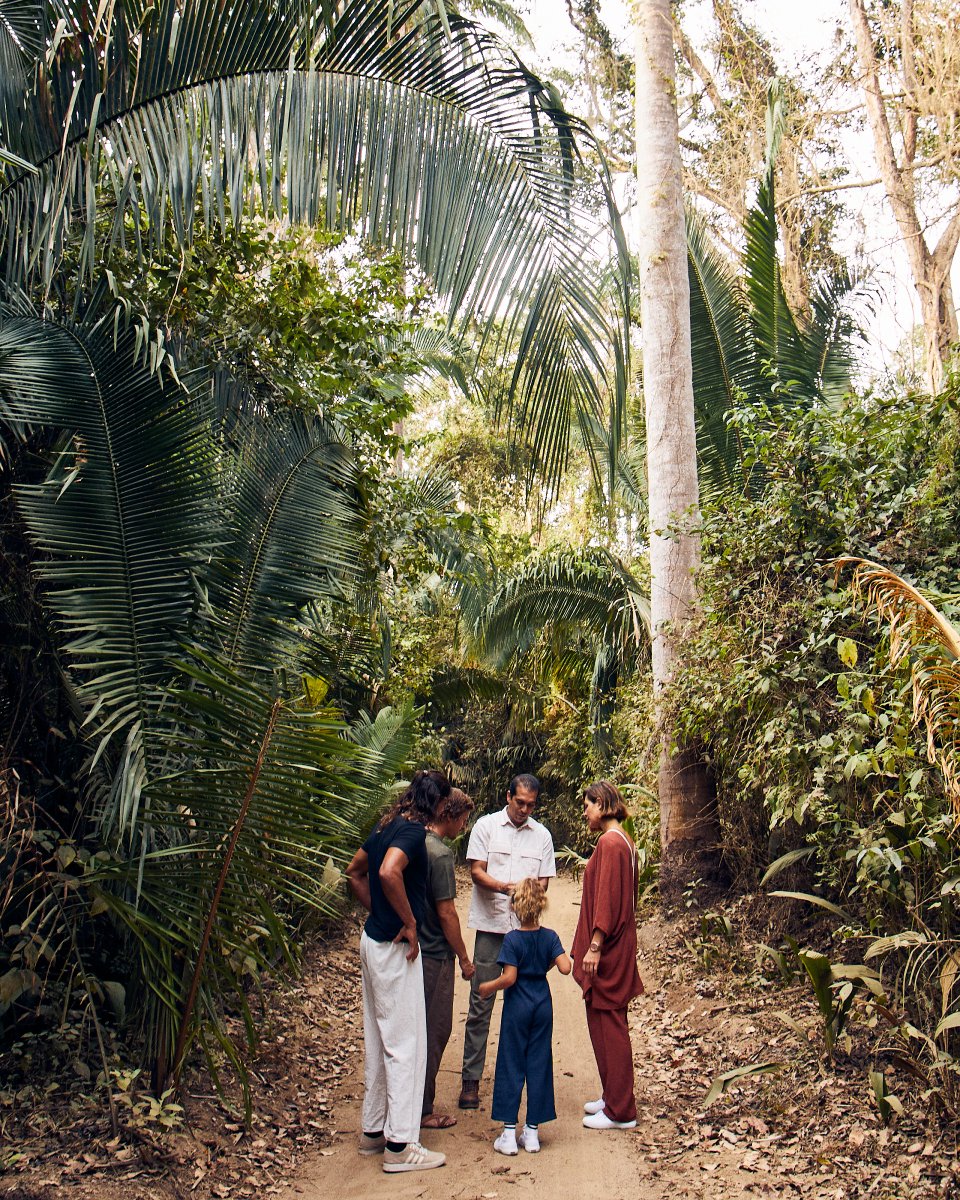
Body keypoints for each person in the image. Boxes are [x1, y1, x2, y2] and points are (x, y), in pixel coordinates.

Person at [345, 770, 449, 1173]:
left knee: (378, 1036)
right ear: (437, 803)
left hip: (372, 941)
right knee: (406, 1043)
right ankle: (401, 1146)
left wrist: (382, 913)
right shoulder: (411, 833)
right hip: (393, 949)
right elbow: (388, 872)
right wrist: (407, 922)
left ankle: (374, 1132)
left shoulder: (386, 824)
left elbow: (356, 870)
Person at [458, 773, 556, 1110]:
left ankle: (519, 1086)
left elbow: (543, 881)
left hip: (526, 934)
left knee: (525, 1007)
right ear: (508, 797)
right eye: (519, 803)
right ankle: (470, 1081)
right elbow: (476, 871)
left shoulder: (542, 836)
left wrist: (528, 896)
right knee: (480, 1003)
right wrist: (505, 888)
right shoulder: (485, 827)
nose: (524, 810)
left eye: (530, 805)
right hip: (491, 927)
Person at [478, 878, 571, 1155]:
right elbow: (565, 967)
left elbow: (509, 977)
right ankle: (532, 1132)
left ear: (516, 907)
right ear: (540, 906)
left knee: (511, 1061)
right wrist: (543, 963)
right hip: (542, 1002)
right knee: (539, 1061)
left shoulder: (513, 939)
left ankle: (508, 1133)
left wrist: (488, 986)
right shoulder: (550, 936)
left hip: (518, 1004)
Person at [571, 780, 644, 1131]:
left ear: (601, 804)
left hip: (609, 947)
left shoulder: (611, 843)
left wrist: (595, 945)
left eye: (588, 805)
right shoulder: (623, 842)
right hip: (617, 942)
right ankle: (612, 1094)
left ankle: (621, 1110)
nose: (585, 812)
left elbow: (608, 899)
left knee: (611, 1021)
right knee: (602, 1018)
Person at [420, 787, 477, 1130]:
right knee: (434, 1031)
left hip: (413, 950)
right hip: (434, 955)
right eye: (463, 819)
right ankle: (423, 1109)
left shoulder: (415, 842)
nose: (464, 827)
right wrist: (465, 959)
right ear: (450, 816)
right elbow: (447, 913)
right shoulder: (439, 854)